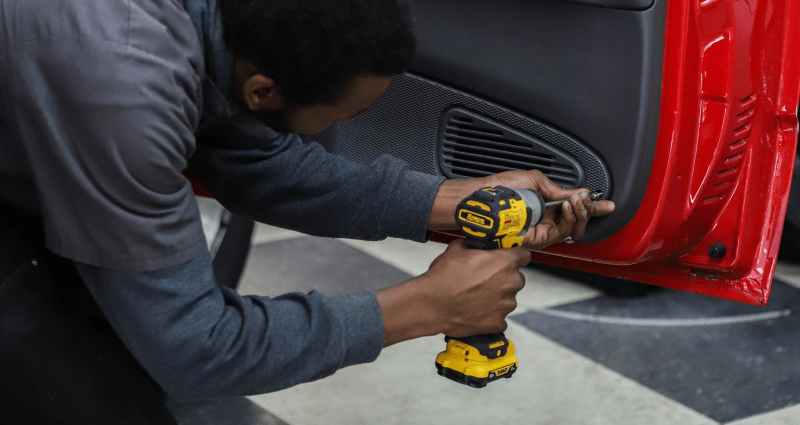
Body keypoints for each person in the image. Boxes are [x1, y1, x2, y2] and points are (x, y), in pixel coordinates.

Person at [0, 0, 614, 423]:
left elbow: (242, 151)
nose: (349, 124)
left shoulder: (217, 28)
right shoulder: (124, 89)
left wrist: (443, 200)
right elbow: (199, 348)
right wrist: (428, 305)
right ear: (264, 91)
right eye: (345, 117)